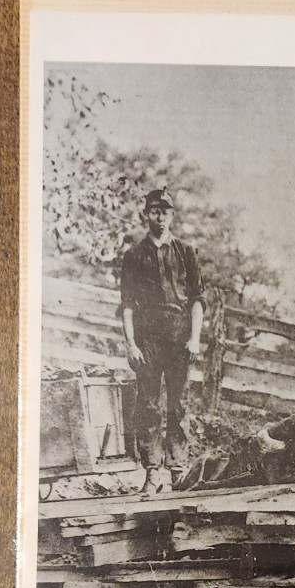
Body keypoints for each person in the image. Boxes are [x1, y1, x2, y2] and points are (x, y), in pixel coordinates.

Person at [120, 188, 205, 497]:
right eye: (154, 211)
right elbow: (127, 305)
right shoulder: (134, 255)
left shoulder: (186, 251)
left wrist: (195, 339)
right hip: (148, 339)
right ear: (146, 214)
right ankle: (153, 472)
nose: (159, 217)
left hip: (179, 338)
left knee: (178, 405)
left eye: (165, 211)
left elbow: (197, 300)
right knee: (148, 405)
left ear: (172, 215)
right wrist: (131, 344)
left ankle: (178, 471)